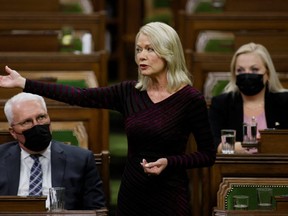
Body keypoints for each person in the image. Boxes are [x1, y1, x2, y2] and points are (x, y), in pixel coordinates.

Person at [0, 22, 216, 215]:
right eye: (139, 49)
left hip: (170, 194)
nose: (141, 56)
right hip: (132, 192)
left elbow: (207, 155)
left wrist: (170, 162)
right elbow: (79, 96)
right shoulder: (129, 92)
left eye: (150, 49)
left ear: (169, 52)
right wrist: (25, 83)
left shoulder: (190, 99)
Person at [0, 92, 106, 210]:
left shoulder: (81, 160)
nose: (36, 125)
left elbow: (96, 210)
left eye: (41, 117)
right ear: (13, 132)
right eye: (27, 122)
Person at [209, 42, 288, 154]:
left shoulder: (284, 102)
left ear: (268, 73)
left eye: (254, 69)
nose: (247, 75)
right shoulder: (221, 104)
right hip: (234, 169)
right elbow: (211, 144)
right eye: (240, 70)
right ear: (234, 74)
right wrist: (236, 148)